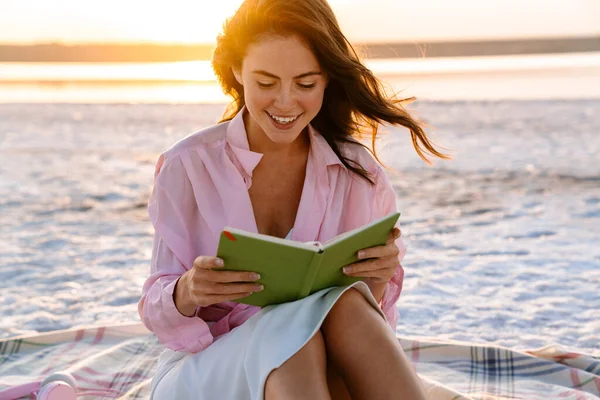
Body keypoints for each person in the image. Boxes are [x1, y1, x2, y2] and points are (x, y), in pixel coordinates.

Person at [138, 0, 447, 398]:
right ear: (237, 71)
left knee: (347, 305)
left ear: (326, 80)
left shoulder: (357, 172)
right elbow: (155, 309)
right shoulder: (188, 166)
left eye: (305, 84)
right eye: (266, 83)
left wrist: (378, 279)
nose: (285, 103)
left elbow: (372, 327)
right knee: (290, 336)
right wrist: (189, 290)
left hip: (321, 363)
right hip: (208, 368)